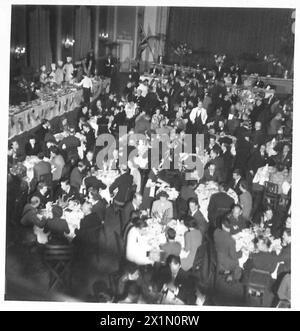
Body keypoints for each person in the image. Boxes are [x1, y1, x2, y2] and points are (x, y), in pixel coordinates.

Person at [213, 218, 242, 282]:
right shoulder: (230, 241)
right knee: (239, 262)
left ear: (223, 225)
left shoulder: (216, 232)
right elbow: (233, 256)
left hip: (217, 257)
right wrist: (241, 252)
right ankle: (235, 278)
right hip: (226, 262)